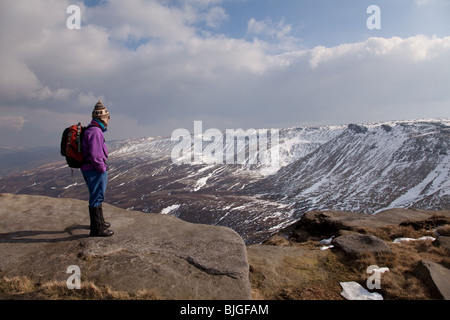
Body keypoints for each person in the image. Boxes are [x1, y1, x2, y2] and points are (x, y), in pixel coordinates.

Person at [81, 100, 114, 237]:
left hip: (88, 168)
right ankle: (96, 229)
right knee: (96, 197)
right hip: (94, 169)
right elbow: (95, 154)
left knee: (97, 197)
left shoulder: (91, 130)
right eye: (107, 117)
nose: (108, 120)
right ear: (103, 118)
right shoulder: (96, 132)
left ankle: (100, 222)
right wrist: (102, 168)